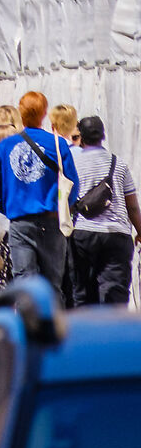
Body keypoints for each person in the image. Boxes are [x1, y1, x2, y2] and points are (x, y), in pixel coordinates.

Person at [0, 89, 76, 288]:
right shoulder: (58, 144)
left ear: (21, 113)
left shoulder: (6, 146)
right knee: (53, 284)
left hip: (20, 222)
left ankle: (29, 319)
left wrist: (10, 208)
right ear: (44, 113)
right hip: (52, 222)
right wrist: (62, 208)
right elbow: (73, 185)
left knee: (25, 284)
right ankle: (52, 318)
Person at [68, 114, 141, 306]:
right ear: (103, 136)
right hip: (116, 234)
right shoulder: (119, 164)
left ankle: (86, 333)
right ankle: (115, 333)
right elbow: (132, 205)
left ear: (81, 137)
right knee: (115, 293)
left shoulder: (73, 164)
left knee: (83, 293)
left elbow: (66, 200)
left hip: (83, 233)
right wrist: (140, 231)